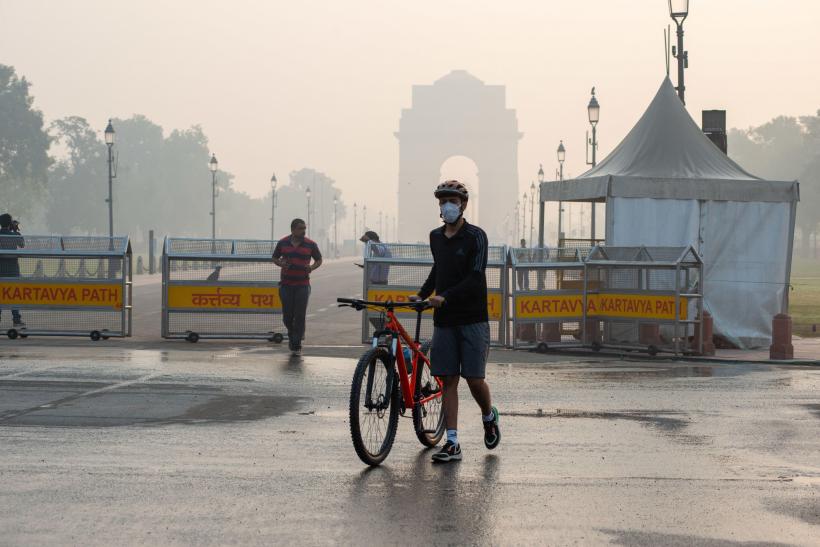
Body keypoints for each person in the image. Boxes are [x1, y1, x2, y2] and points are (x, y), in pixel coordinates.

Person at [410, 180, 500, 463]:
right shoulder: (435, 237)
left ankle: (488, 415)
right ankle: (452, 442)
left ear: (463, 205)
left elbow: (475, 277)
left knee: (474, 379)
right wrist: (422, 294)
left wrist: (445, 296)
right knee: (447, 380)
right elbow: (439, 269)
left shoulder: (477, 237)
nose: (446, 205)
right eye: (442, 201)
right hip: (445, 320)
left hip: (472, 318)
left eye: (452, 200)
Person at [272, 218, 322, 355]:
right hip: (286, 285)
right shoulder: (282, 243)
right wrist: (281, 264)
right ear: (293, 229)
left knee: (299, 315)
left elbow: (319, 259)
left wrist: (311, 267)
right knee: (287, 316)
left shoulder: (311, 244)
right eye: (300, 228)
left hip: (302, 285)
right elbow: (275, 257)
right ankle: (293, 333)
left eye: (304, 228)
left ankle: (296, 342)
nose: (303, 231)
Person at [356, 230, 392, 332]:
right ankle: (384, 330)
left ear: (371, 239)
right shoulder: (383, 248)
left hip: (378, 285)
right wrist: (366, 266)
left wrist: (369, 241)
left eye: (367, 241)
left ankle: (384, 330)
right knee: (375, 310)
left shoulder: (380, 247)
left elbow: (377, 251)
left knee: (371, 310)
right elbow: (378, 264)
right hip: (377, 284)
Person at [0, 213, 25, 328]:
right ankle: (16, 319)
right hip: (13, 270)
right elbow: (22, 244)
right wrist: (15, 230)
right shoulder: (14, 235)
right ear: (10, 223)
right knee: (14, 295)